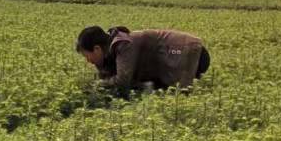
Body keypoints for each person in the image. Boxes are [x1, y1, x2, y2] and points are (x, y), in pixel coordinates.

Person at [76, 24, 210, 96]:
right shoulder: (110, 52)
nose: (88, 61)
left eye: (87, 55)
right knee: (161, 94)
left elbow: (122, 80)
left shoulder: (123, 45)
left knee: (179, 97)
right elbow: (110, 78)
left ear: (97, 49)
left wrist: (97, 85)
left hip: (185, 52)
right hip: (174, 58)